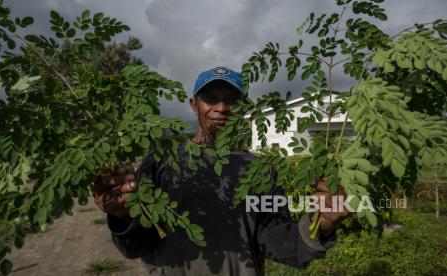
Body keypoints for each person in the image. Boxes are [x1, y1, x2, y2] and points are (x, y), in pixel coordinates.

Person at [93, 66, 348, 276]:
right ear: (194, 105)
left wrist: (319, 224)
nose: (222, 107)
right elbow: (137, 245)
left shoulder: (261, 168)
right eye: (211, 98)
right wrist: (123, 216)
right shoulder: (160, 161)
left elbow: (275, 240)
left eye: (232, 100)